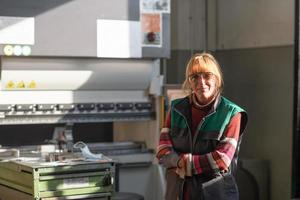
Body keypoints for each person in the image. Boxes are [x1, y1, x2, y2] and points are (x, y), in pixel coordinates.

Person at [156, 52, 248, 200]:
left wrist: (182, 164)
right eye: (194, 77)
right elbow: (162, 151)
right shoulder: (175, 109)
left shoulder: (232, 113)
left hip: (215, 195)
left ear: (217, 79)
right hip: (178, 194)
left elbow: (221, 159)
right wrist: (182, 162)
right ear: (189, 82)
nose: (201, 82)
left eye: (207, 75)